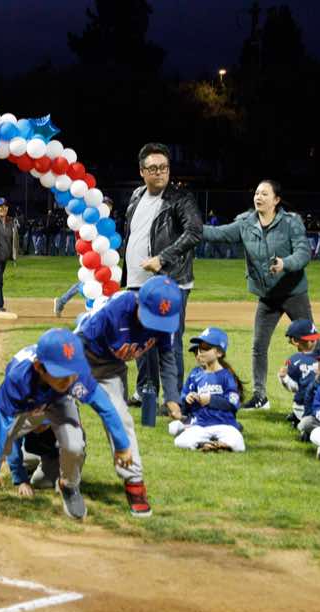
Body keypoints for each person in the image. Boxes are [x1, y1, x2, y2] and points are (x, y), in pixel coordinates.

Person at [0, 328, 131, 525]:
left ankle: (69, 486)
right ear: (39, 367)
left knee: (75, 445)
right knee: (2, 442)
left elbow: (106, 408)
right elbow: (2, 426)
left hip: (59, 400)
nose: (68, 380)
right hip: (27, 403)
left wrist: (122, 445)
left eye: (71, 372)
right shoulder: (18, 379)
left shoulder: (76, 377)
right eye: (60, 373)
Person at [201, 180, 313, 409]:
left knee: (311, 343)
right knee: (259, 346)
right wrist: (190, 226)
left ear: (276, 200)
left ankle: (317, 391)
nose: (258, 197)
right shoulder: (246, 223)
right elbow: (217, 233)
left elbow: (303, 253)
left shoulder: (291, 223)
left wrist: (285, 263)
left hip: (293, 293)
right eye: (257, 193)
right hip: (267, 296)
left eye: (264, 194)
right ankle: (260, 396)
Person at [75, 275, 181, 517]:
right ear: (139, 302)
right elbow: (80, 340)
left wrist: (172, 397)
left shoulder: (164, 324)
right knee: (56, 416)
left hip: (111, 370)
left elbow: (167, 358)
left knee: (122, 421)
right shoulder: (115, 308)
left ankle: (134, 483)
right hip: (82, 360)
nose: (155, 326)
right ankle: (18, 452)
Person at [122, 143, 203, 412]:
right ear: (142, 171)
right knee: (141, 340)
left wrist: (162, 258)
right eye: (154, 168)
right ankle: (146, 391)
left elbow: (194, 232)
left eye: (164, 168)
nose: (160, 173)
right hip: (137, 281)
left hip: (170, 281)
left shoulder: (181, 198)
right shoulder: (136, 195)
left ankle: (173, 398)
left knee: (168, 341)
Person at [172, 328, 245, 453]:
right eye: (200, 347)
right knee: (180, 441)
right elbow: (184, 407)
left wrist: (210, 400)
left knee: (238, 443)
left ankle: (213, 443)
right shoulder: (196, 375)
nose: (200, 351)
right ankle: (209, 444)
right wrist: (187, 399)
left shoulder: (226, 376)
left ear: (219, 353)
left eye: (206, 347)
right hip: (201, 425)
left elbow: (233, 403)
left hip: (224, 424)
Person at [278, 320, 320, 423]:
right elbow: (294, 387)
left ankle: (298, 419)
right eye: (311, 339)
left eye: (314, 338)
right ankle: (298, 418)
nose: (314, 341)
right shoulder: (294, 361)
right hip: (304, 405)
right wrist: (284, 378)